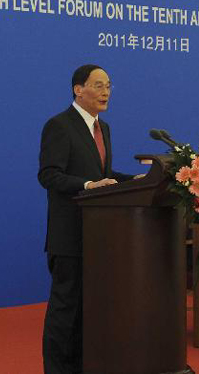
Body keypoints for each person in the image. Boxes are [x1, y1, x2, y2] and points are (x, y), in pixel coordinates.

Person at [38, 64, 136, 374]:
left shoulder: (102, 128)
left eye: (108, 85)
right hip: (69, 236)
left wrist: (135, 179)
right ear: (78, 89)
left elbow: (102, 176)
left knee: (87, 313)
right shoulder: (59, 125)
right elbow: (49, 175)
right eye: (98, 85)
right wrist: (87, 186)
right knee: (65, 312)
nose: (106, 91)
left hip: (97, 237)